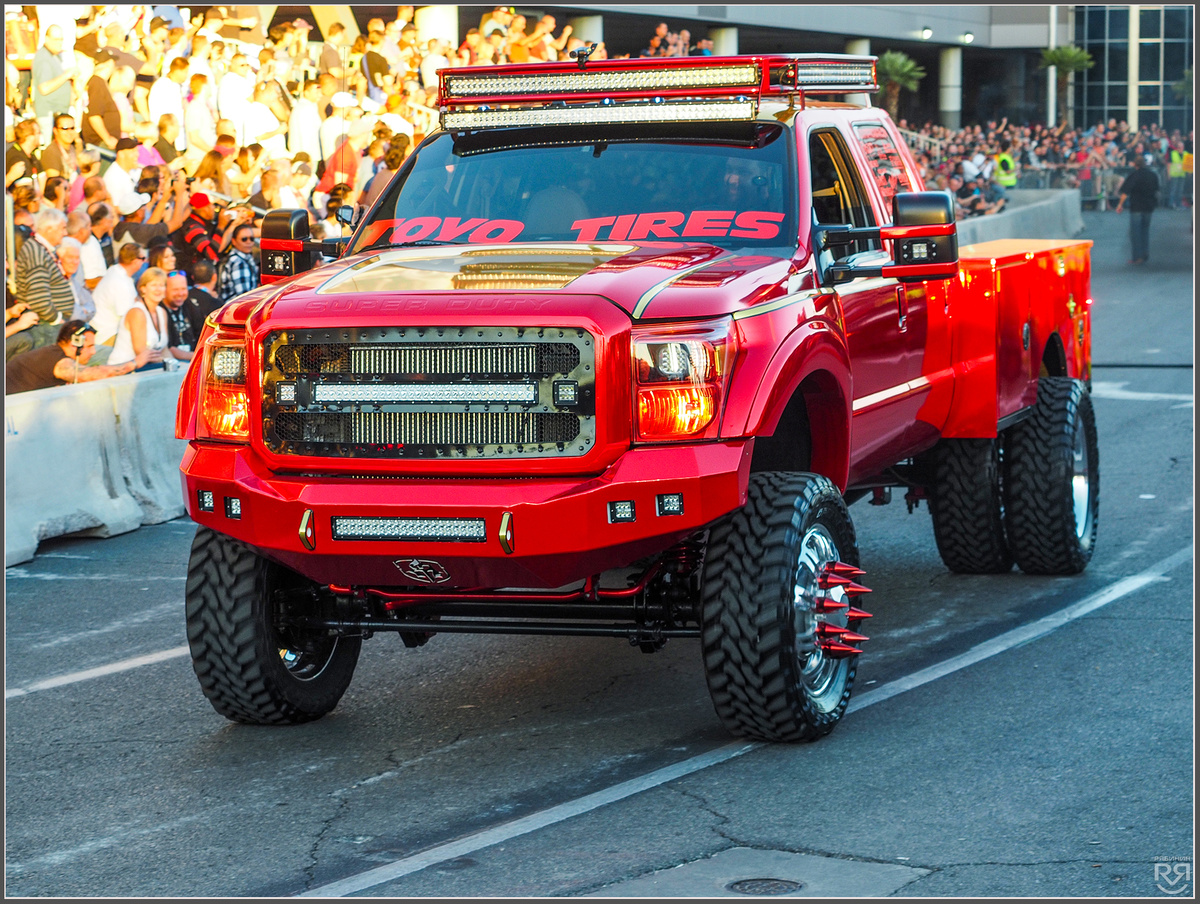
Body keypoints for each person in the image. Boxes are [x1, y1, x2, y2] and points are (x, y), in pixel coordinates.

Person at [6, 321, 153, 393]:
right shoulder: (57, 360)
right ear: (74, 343)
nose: (94, 351)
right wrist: (135, 363)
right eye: (89, 347)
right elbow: (91, 375)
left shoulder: (53, 354)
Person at [14, 208, 74, 342]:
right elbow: (39, 299)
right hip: (45, 329)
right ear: (49, 229)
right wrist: (57, 319)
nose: (65, 233)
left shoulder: (39, 249)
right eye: (62, 228)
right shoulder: (36, 252)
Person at [107, 267, 174, 371]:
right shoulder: (137, 312)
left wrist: (175, 363)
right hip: (126, 370)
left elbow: (164, 348)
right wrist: (166, 361)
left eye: (161, 285)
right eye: (153, 285)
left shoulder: (162, 312)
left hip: (150, 368)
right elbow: (142, 353)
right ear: (143, 288)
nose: (158, 289)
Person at [90, 242, 146, 351]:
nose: (145, 262)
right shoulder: (119, 282)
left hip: (107, 332)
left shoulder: (116, 272)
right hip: (108, 336)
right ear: (135, 261)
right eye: (143, 258)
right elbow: (127, 317)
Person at [31, 25, 77, 136]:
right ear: (47, 39)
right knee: (50, 150)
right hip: (49, 115)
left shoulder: (54, 56)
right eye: (56, 39)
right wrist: (66, 75)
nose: (59, 42)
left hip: (57, 114)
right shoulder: (43, 59)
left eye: (61, 39)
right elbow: (44, 88)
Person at [1114, 154, 1160, 265]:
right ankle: (1145, 253)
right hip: (1149, 206)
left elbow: (1125, 192)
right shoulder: (1152, 175)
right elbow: (1157, 190)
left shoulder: (1134, 175)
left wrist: (1120, 205)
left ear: (1135, 164)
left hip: (1136, 207)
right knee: (1145, 231)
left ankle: (1137, 257)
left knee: (1135, 233)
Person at [163, 270, 203, 360]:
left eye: (183, 289)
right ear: (165, 290)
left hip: (193, 359)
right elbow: (169, 347)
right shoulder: (161, 311)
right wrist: (197, 357)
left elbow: (201, 335)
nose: (180, 294)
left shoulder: (190, 305)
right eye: (175, 290)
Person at [216, 222, 260, 303]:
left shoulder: (245, 258)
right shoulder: (238, 263)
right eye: (244, 239)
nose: (249, 242)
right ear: (234, 241)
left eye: (252, 238)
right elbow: (245, 296)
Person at [102, 137, 143, 204]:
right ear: (121, 154)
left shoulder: (133, 171)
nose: (137, 155)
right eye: (133, 152)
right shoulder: (113, 178)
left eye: (137, 151)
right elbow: (116, 208)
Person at [40, 113, 80, 181]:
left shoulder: (73, 148)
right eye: (65, 128)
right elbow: (55, 184)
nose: (69, 132)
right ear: (55, 130)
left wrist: (79, 143)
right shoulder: (51, 152)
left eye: (72, 128)